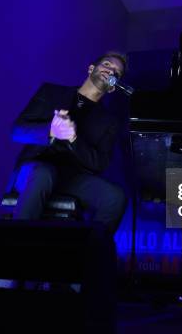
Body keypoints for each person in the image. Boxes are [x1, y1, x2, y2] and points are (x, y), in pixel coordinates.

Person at [9, 52, 127, 233]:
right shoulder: (51, 92)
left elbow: (100, 164)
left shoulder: (109, 122)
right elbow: (17, 131)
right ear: (91, 69)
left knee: (115, 197)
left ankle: (89, 255)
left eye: (116, 73)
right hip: (35, 168)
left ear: (112, 87)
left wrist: (74, 139)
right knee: (43, 174)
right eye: (107, 64)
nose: (111, 71)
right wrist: (51, 131)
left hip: (72, 178)